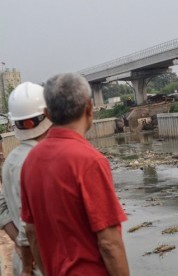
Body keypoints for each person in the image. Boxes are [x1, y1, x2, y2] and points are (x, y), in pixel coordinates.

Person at [20, 73, 130, 275]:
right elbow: (109, 243)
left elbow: (31, 231)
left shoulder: (30, 161)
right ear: (89, 107)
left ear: (48, 115)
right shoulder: (89, 160)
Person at [0, 82, 52, 275]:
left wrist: (20, 248)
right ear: (48, 114)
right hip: (43, 264)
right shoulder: (42, 162)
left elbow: (2, 207)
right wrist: (27, 265)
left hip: (23, 261)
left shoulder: (10, 159)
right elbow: (29, 227)